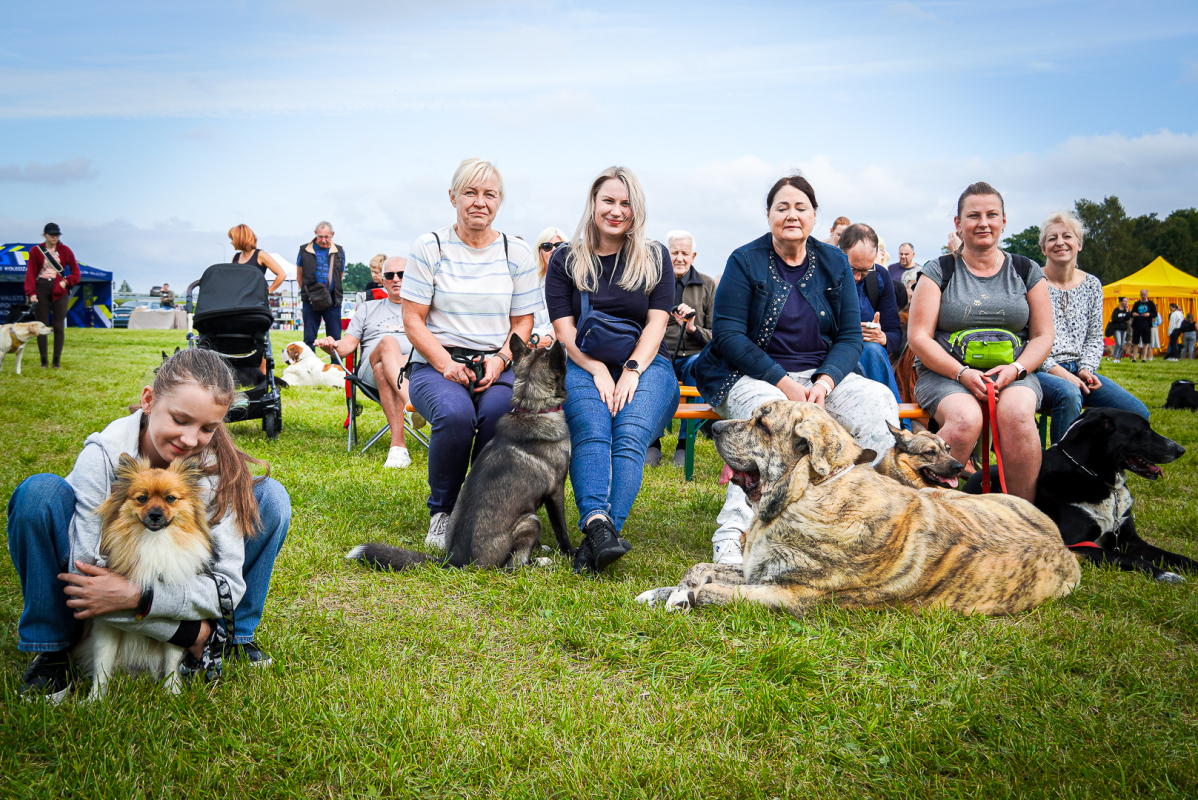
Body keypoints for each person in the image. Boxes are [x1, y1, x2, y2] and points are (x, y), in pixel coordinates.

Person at [7, 348, 291, 700]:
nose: (189, 439)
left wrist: (140, 597)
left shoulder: (215, 470)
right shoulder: (104, 455)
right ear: (148, 399)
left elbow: (226, 589)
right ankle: (53, 647)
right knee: (38, 493)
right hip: (102, 580)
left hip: (160, 579)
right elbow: (88, 581)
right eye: (180, 419)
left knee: (271, 497)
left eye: (207, 428)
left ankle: (232, 637)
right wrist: (188, 632)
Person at [693, 175, 899, 566]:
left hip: (819, 377)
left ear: (814, 215)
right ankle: (733, 535)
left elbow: (851, 337)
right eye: (782, 207)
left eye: (800, 207)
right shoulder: (743, 260)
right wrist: (783, 383)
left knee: (879, 402)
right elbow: (728, 336)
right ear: (768, 214)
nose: (791, 214)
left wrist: (825, 380)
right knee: (776, 424)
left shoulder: (835, 261)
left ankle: (871, 530)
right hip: (748, 377)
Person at [546, 166, 679, 574]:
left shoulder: (655, 256)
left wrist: (633, 370)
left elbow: (657, 323)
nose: (616, 211)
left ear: (636, 210)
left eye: (626, 203)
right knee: (591, 426)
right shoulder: (566, 260)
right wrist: (597, 369)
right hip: (585, 363)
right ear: (593, 203)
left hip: (647, 364)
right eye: (609, 201)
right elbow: (564, 331)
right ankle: (598, 525)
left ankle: (600, 535)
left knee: (630, 431)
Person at [402, 158, 541, 549]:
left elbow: (523, 323)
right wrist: (445, 364)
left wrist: (499, 361)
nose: (480, 202)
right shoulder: (430, 246)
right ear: (453, 197)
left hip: (497, 359)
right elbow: (413, 319)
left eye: (489, 194)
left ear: (499, 202)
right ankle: (443, 513)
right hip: (437, 359)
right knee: (455, 414)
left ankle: (479, 507)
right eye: (471, 192)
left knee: (500, 414)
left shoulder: (517, 252)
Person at [907, 182, 1053, 502]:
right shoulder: (939, 270)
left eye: (991, 215)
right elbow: (918, 336)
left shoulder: (1026, 270)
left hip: (1014, 374)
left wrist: (1016, 368)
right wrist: (962, 373)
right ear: (958, 224)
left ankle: (1023, 518)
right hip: (946, 375)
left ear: (1003, 221)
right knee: (965, 420)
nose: (983, 223)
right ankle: (922, 512)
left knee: (1016, 415)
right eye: (973, 216)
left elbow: (1043, 336)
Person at [1034, 211, 1148, 443]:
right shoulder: (1032, 281)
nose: (1060, 242)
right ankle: (1061, 469)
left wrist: (1086, 369)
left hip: (1079, 367)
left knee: (1137, 413)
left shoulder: (1092, 285)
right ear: (1044, 248)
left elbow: (1095, 337)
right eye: (1052, 238)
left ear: (1079, 244)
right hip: (1042, 370)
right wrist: (1063, 374)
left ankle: (1099, 464)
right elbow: (1028, 340)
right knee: (1069, 394)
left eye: (1067, 236)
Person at [317, 256, 412, 469]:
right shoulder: (367, 309)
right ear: (384, 281)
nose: (396, 279)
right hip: (370, 373)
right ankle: (410, 403)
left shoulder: (422, 309)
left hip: (414, 370)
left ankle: (398, 448)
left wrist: (403, 360)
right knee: (388, 343)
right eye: (390, 275)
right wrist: (330, 345)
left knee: (383, 370)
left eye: (402, 275)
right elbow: (346, 346)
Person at [647, 229, 717, 467]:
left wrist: (692, 328)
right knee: (650, 373)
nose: (679, 258)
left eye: (684, 253)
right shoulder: (652, 283)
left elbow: (717, 336)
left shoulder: (708, 285)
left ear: (693, 256)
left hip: (692, 357)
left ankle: (684, 443)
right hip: (660, 354)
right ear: (666, 255)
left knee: (697, 366)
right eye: (674, 252)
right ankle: (652, 443)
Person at [839, 223, 902, 402]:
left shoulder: (880, 277)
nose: (858, 277)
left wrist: (883, 338)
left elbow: (895, 333)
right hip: (832, 354)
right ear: (839, 254)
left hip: (868, 355)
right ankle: (897, 422)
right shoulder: (823, 275)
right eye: (853, 270)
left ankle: (896, 423)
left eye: (865, 271)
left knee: (873, 350)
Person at [23, 222, 80, 369]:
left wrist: (66, 282)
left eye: (57, 235)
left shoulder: (65, 250)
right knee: (41, 325)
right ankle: (43, 361)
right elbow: (30, 273)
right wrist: (31, 293)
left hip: (59, 288)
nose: (55, 237)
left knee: (59, 326)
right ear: (45, 235)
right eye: (51, 235)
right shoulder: (36, 251)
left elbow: (76, 273)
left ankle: (56, 361)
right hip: (41, 287)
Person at [296, 221, 346, 351]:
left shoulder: (340, 251)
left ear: (332, 235)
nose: (323, 240)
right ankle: (308, 369)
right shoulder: (304, 250)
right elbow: (299, 276)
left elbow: (340, 275)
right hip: (311, 300)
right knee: (309, 338)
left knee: (335, 339)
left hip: (333, 300)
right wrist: (309, 292)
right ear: (315, 234)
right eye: (320, 236)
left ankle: (337, 368)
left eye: (326, 237)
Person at [531, 227, 568, 343]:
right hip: (531, 345)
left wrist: (550, 338)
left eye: (559, 245)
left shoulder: (577, 283)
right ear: (540, 252)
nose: (553, 250)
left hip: (564, 347)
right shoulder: (529, 283)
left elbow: (576, 323)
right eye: (547, 246)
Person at [229, 224, 287, 294]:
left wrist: (268, 291)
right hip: (238, 300)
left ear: (240, 239)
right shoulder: (235, 257)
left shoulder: (260, 255)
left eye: (233, 239)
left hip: (255, 301)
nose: (231, 243)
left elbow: (281, 275)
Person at [1129, 289, 1157, 363]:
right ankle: (1134, 358)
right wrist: (1133, 314)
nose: (1143, 296)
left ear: (1147, 294)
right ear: (1140, 295)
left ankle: (1144, 358)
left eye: (1144, 294)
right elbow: (1131, 312)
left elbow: (1155, 314)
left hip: (1146, 325)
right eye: (1142, 294)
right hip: (1137, 325)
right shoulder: (1136, 303)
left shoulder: (1151, 304)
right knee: (1135, 342)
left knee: (1145, 342)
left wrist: (1149, 314)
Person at [1107, 297, 1133, 363]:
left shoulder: (1126, 311)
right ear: (1121, 302)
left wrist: (1127, 311)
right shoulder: (1116, 310)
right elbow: (1114, 318)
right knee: (1118, 343)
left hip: (1124, 329)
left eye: (1127, 301)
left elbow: (1128, 318)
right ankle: (1115, 357)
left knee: (1121, 344)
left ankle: (1118, 358)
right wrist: (1122, 320)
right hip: (1117, 329)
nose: (1126, 303)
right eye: (1125, 301)